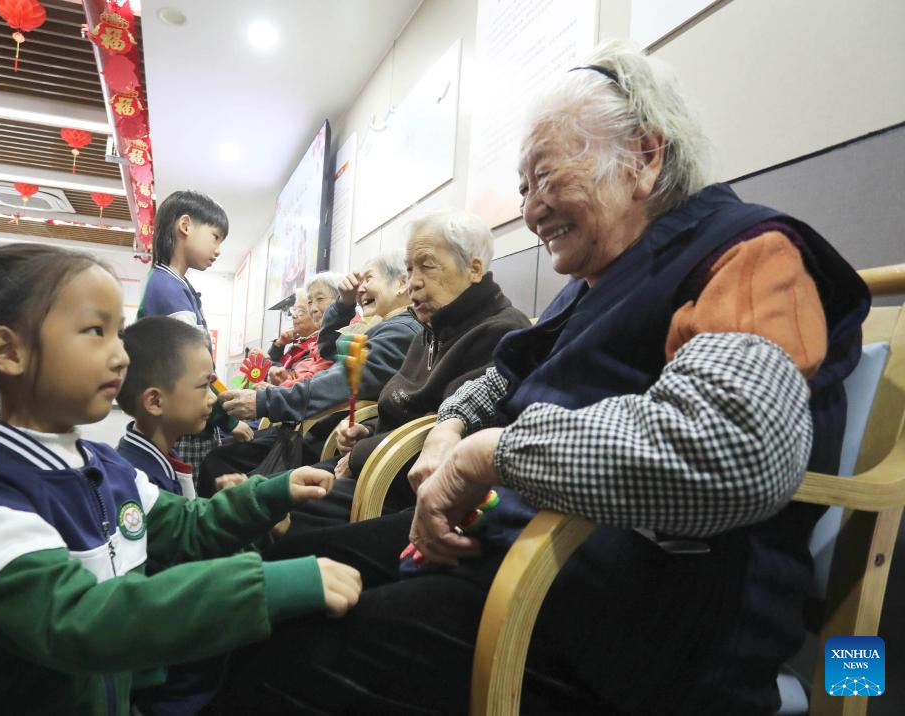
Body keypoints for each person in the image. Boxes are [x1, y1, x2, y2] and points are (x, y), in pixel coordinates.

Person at [220, 40, 870, 715]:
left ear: (644, 157)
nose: (530, 211)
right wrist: (451, 426)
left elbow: (733, 446)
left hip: (638, 628)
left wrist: (489, 454)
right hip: (527, 559)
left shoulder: (750, 256)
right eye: (523, 187)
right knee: (269, 587)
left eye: (545, 177)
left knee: (278, 658)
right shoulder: (593, 285)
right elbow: (501, 379)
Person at [0, 235, 362, 715]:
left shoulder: (103, 466)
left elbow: (186, 526)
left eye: (118, 333)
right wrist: (261, 587)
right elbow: (77, 620)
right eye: (96, 331)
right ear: (9, 351)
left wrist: (272, 492)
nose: (122, 356)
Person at [285, 209, 531, 534]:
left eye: (427, 266)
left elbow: (440, 431)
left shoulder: (501, 331)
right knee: (280, 493)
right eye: (410, 268)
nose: (413, 282)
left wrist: (361, 453)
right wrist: (366, 431)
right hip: (376, 462)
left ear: (473, 269)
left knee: (290, 513)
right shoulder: (429, 330)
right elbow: (401, 407)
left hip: (409, 491)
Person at [198, 254, 422, 493]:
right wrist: (343, 304)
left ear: (401, 283)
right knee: (224, 464)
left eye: (369, 278)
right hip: (314, 427)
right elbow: (328, 349)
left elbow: (342, 380)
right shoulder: (379, 325)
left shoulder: (400, 330)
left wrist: (267, 400)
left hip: (326, 436)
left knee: (236, 477)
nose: (360, 288)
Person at [138, 189, 252, 481]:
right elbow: (191, 372)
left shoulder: (175, 285)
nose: (218, 250)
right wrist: (228, 421)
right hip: (182, 424)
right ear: (185, 226)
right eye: (215, 237)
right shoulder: (168, 289)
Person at [115, 316, 215, 499]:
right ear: (155, 402)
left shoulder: (164, 455)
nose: (213, 398)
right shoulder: (141, 483)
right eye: (203, 386)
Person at [263, 289, 334, 387]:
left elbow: (284, 379)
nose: (294, 316)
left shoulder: (317, 348)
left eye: (300, 311)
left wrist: (266, 360)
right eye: (294, 310)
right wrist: (279, 344)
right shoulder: (298, 343)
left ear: (316, 315)